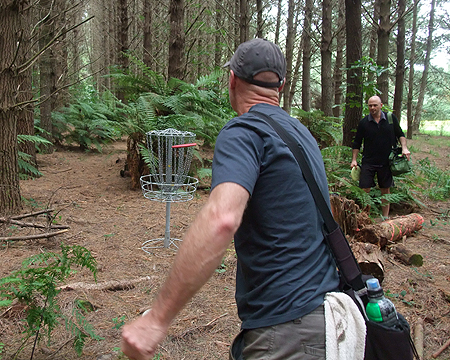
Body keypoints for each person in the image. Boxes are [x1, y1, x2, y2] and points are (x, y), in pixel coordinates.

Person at [121, 38, 340, 360]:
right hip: (327, 316)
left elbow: (222, 219)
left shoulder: (244, 131)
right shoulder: (299, 133)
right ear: (281, 85)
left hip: (286, 331)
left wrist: (155, 320)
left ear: (233, 79)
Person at [350, 95, 411, 218]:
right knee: (365, 189)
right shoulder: (364, 122)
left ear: (381, 105)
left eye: (375, 105)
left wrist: (404, 148)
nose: (372, 108)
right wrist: (354, 160)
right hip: (368, 161)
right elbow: (357, 142)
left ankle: (385, 218)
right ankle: (365, 217)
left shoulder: (390, 119)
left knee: (385, 190)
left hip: (386, 161)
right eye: (370, 105)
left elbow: (400, 134)